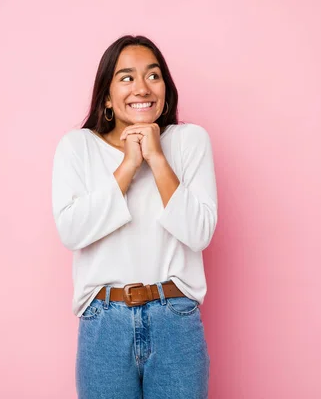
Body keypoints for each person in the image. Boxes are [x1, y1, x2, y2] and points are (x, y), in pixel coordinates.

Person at [51, 35, 218, 399]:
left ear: (165, 88)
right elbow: (72, 231)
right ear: (107, 97)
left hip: (174, 319)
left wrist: (156, 158)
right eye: (126, 77)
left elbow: (199, 232)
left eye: (153, 76)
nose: (142, 87)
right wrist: (129, 164)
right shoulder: (77, 147)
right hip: (103, 323)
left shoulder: (190, 141)